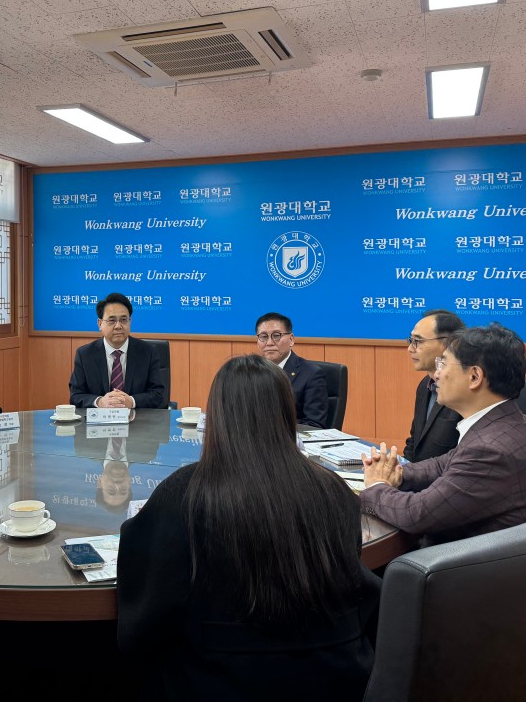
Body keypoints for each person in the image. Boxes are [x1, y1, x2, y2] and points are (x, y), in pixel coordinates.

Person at [118, 355, 377, 700]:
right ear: (286, 413)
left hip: (218, 681)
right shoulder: (334, 490)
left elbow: (144, 624)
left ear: (218, 417)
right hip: (333, 679)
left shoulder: (183, 494)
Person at [360, 323, 526, 545]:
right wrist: (395, 472)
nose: (436, 374)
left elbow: (417, 514)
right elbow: (442, 465)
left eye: (443, 364)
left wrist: (376, 487)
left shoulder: (490, 449)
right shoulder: (505, 420)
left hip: (475, 563)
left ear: (474, 376)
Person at [68, 293, 166, 409]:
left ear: (130, 321)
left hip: (138, 418)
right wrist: (100, 402)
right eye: (112, 320)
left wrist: (131, 401)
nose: (118, 326)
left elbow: (158, 394)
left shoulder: (148, 352)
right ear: (100, 323)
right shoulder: (85, 354)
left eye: (123, 320)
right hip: (99, 419)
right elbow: (76, 396)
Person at [402, 308, 465, 461]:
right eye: (411, 340)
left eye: (418, 341)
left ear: (449, 343)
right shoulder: (425, 385)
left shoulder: (464, 392)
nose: (410, 349)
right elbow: (414, 443)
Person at [254, 312, 328, 430]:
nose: (269, 343)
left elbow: (314, 425)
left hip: (290, 439)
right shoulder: (251, 372)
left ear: (291, 339)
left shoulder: (312, 374)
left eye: (276, 335)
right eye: (263, 337)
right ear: (257, 341)